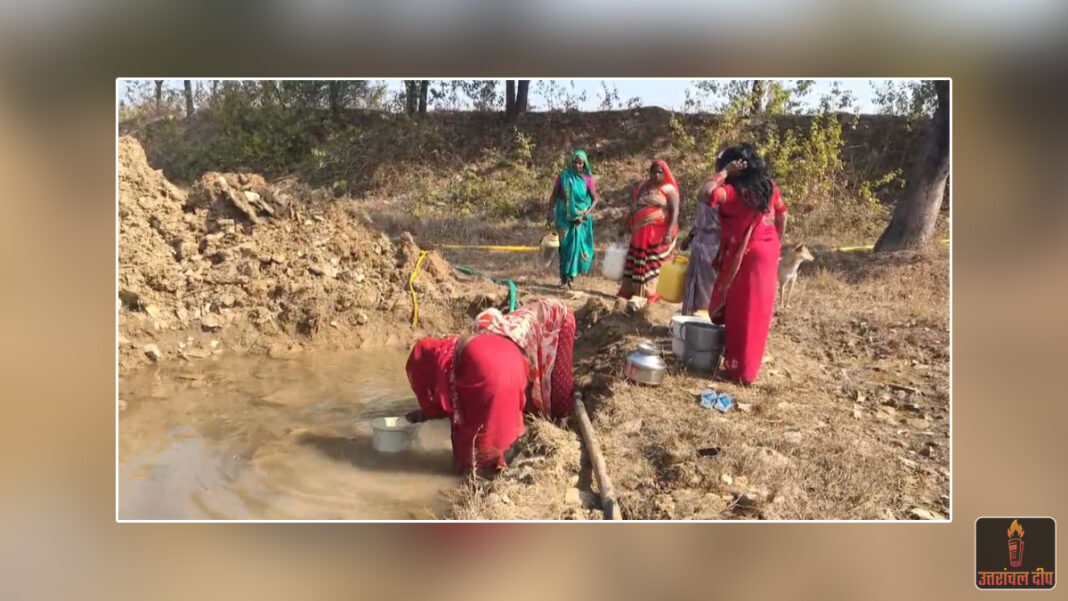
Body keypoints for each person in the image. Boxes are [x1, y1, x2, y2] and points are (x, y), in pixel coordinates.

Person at [404, 298, 577, 472]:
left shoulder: (457, 360)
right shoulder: (454, 353)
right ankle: (502, 458)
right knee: (502, 416)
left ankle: (564, 423)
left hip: (556, 323)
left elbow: (456, 405)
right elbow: (454, 400)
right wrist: (425, 414)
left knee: (558, 386)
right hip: (514, 360)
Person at [704, 144, 787, 384]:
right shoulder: (769, 188)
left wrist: (723, 174)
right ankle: (747, 367)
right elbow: (782, 215)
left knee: (741, 311)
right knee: (758, 312)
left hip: (745, 256)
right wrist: (776, 243)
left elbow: (707, 193)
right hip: (768, 251)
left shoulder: (731, 192)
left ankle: (739, 371)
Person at [618, 159, 680, 301]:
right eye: (654, 172)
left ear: (665, 174)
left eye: (660, 172)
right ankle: (632, 290)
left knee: (652, 262)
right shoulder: (643, 187)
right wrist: (625, 225)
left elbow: (675, 211)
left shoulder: (669, 190)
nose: (656, 175)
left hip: (657, 235)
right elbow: (633, 207)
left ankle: (650, 292)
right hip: (639, 232)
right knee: (636, 261)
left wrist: (669, 232)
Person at [549, 150, 599, 289]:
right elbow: (554, 196)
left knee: (574, 249)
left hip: (579, 220)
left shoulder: (587, 180)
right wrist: (549, 214)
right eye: (575, 162)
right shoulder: (563, 177)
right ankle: (563, 278)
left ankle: (571, 279)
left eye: (580, 163)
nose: (577, 165)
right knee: (564, 248)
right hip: (563, 218)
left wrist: (585, 215)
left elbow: (595, 200)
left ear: (584, 164)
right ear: (571, 162)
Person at [679, 175, 723, 315]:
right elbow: (699, 220)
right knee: (694, 283)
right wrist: (689, 238)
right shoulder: (707, 196)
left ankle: (703, 320)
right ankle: (689, 317)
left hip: (714, 247)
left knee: (707, 286)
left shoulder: (727, 195)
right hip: (699, 244)